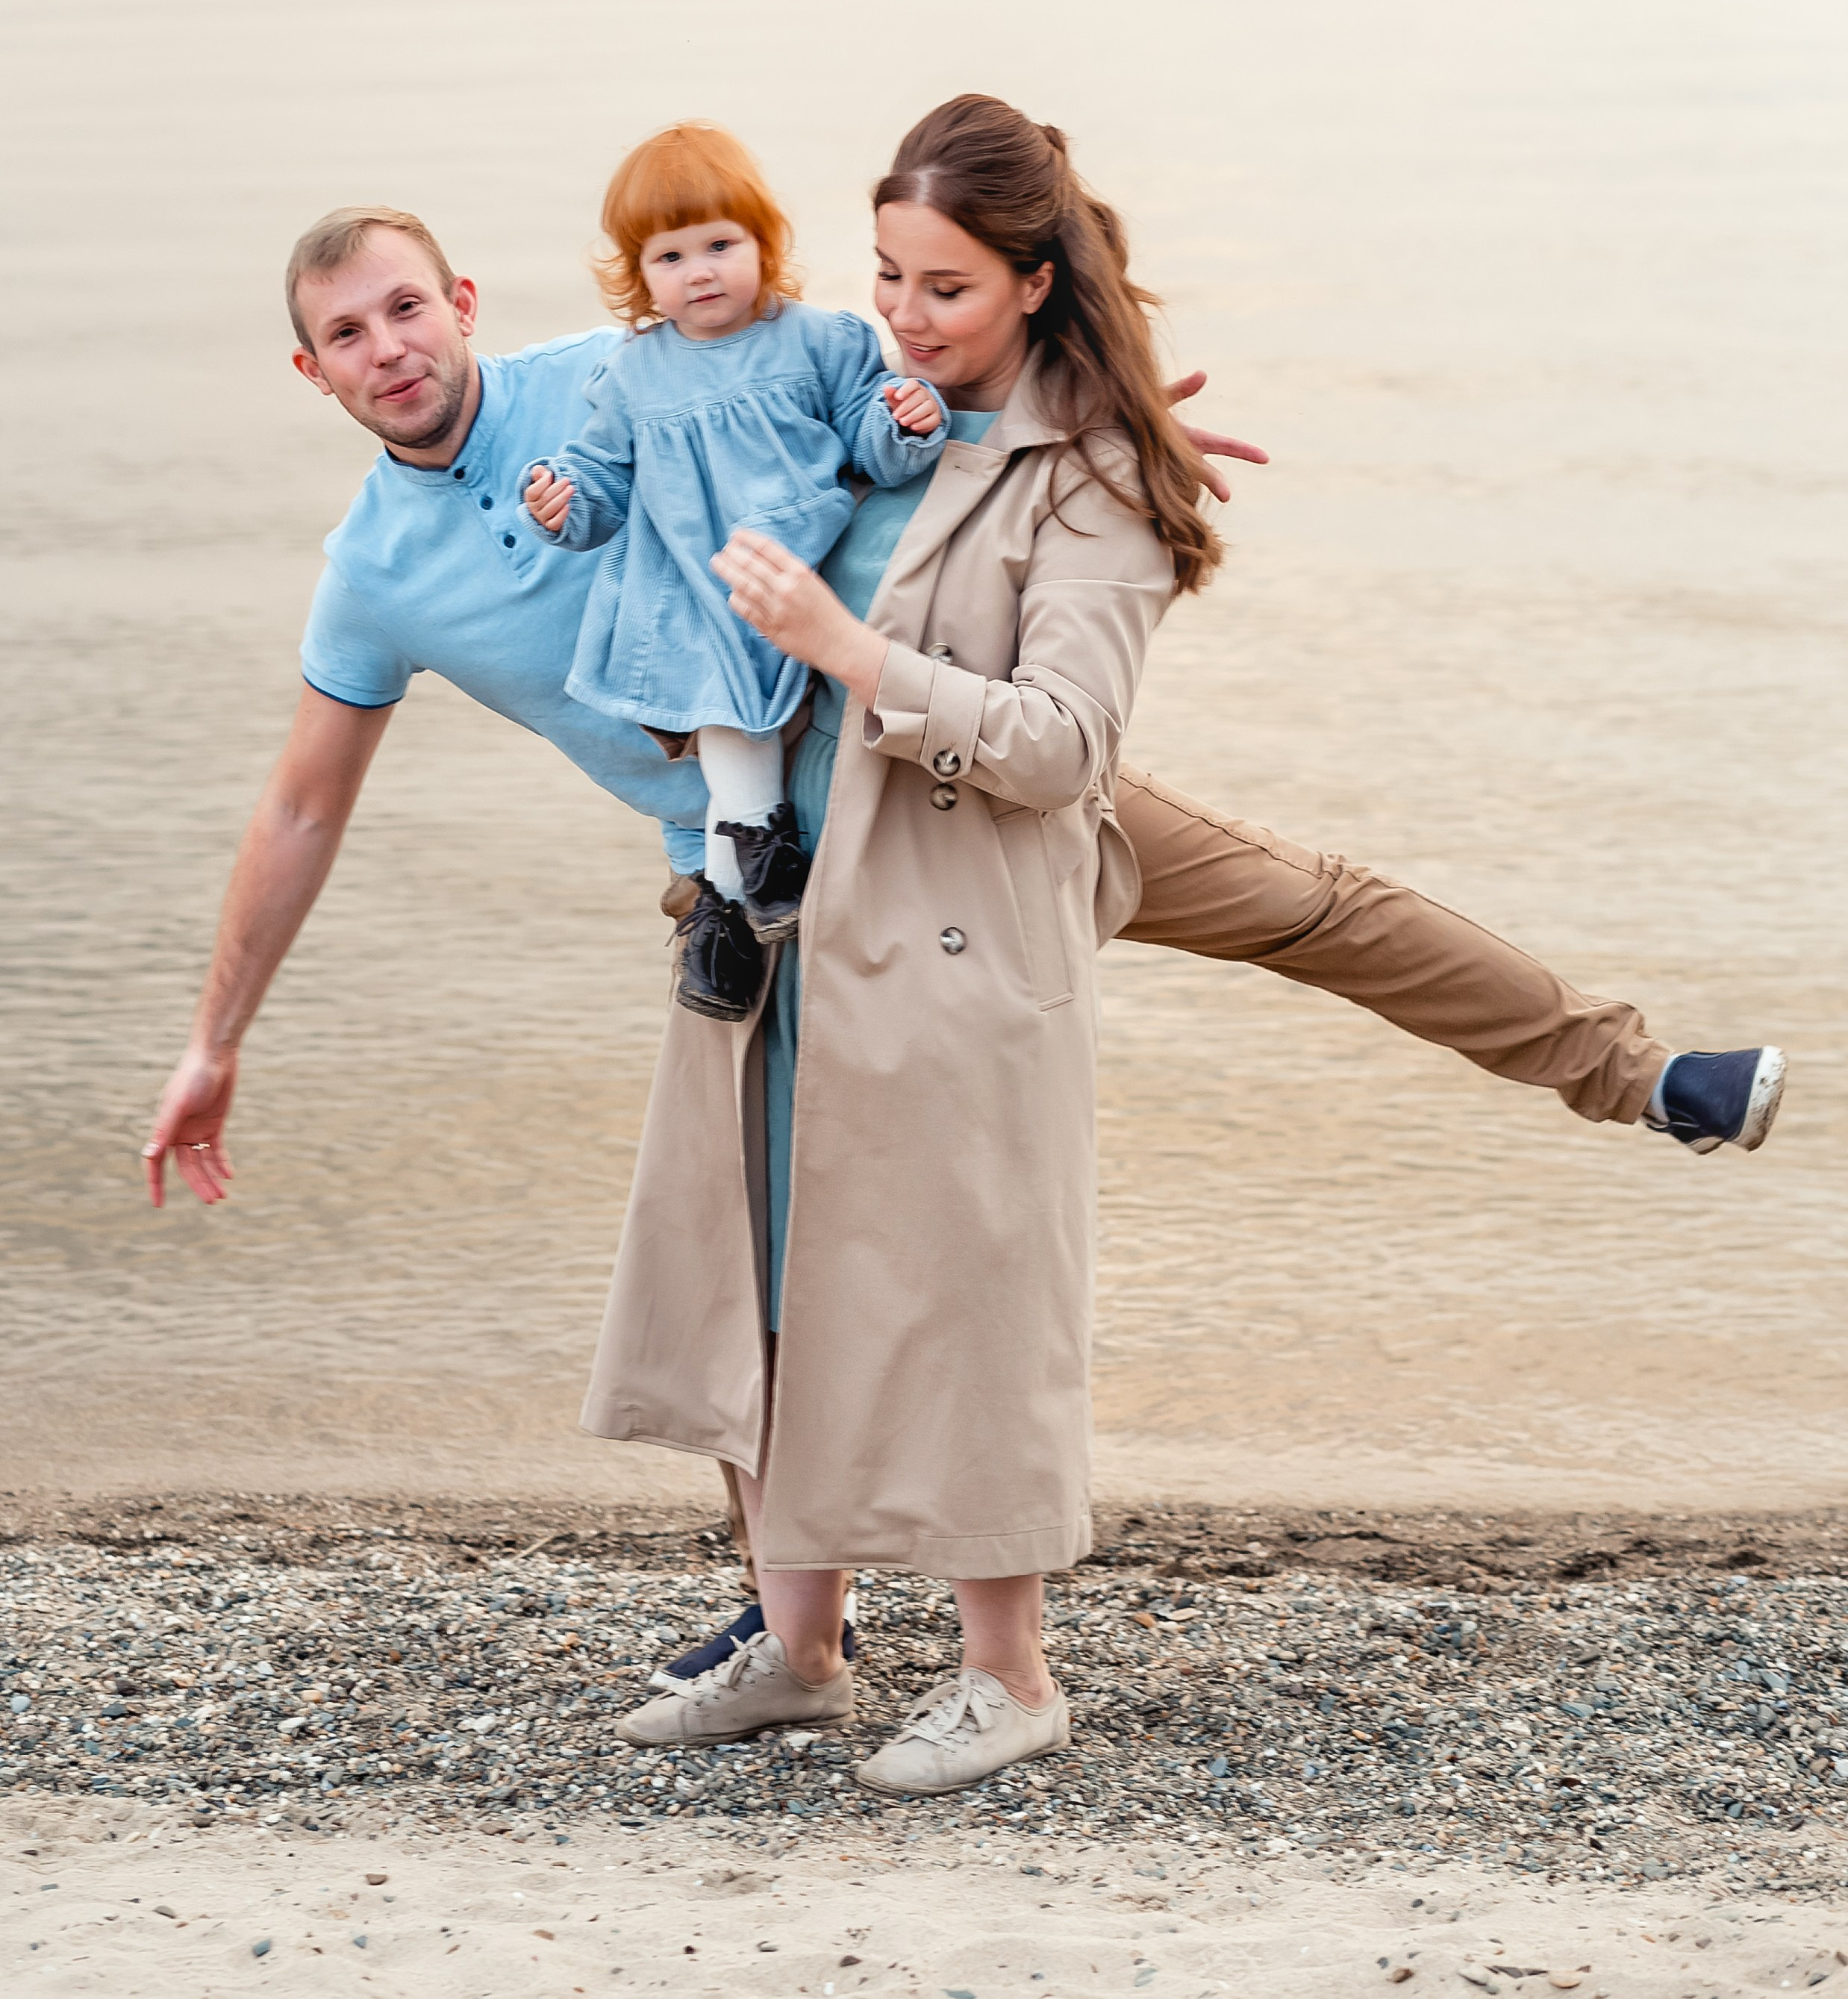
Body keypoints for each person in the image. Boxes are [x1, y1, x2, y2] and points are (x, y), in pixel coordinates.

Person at [140, 168, 1785, 1692]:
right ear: (315, 377)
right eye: (348, 335)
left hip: (946, 772)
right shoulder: (371, 575)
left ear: (464, 301)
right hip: (760, 882)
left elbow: (907, 381)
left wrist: (1097, 443)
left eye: (405, 308)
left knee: (1306, 906)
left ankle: (1638, 1075)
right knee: (745, 1221)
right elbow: (300, 808)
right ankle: (797, 1607)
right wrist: (216, 1046)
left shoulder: (637, 360)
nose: (389, 349)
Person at [588, 94, 1208, 1791]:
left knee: (960, 1301)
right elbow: (675, 354)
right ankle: (798, 1647)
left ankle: (1009, 1675)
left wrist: (851, 654)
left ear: (1030, 276)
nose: (904, 313)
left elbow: (1064, 744)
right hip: (792, 926)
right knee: (769, 1285)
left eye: (941, 284)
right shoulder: (885, 414)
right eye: (883, 275)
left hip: (954, 955)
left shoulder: (1090, 478)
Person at [519, 121, 947, 1020]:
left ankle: (724, 907)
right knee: (716, 688)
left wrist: (907, 420)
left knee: (757, 691)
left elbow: (871, 437)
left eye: (721, 244)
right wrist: (561, 504)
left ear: (763, 242)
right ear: (640, 275)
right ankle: (756, 846)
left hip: (804, 569)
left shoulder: (819, 342)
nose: (701, 271)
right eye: (671, 257)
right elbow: (598, 482)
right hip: (690, 589)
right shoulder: (634, 375)